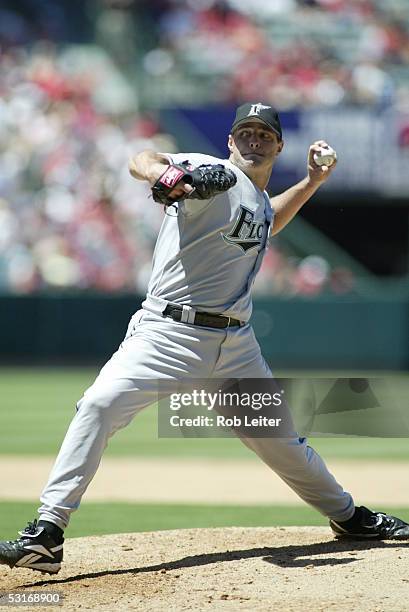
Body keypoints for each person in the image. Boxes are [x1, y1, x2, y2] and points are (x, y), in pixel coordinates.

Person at [1, 102, 408, 575]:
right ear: (231, 141)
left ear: (279, 146)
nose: (255, 140)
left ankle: (349, 517)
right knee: (98, 405)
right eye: (246, 133)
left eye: (264, 135)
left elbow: (268, 221)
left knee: (281, 442)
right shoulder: (213, 171)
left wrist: (313, 183)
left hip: (236, 348)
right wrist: (169, 174)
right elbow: (143, 159)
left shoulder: (254, 198)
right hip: (167, 336)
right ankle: (48, 532)